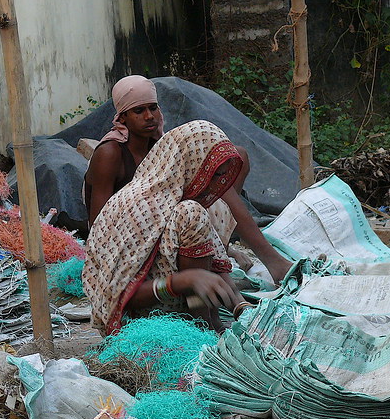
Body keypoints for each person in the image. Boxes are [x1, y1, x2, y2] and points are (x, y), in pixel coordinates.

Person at [84, 75, 291, 283]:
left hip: (163, 224)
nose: (149, 116)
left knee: (230, 158)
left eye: (153, 108)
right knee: (206, 205)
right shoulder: (110, 153)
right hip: (130, 243)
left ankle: (229, 249)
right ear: (122, 118)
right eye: (139, 111)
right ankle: (266, 259)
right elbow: (99, 227)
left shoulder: (159, 144)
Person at [83, 120, 253, 335]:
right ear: (191, 164)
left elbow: (215, 266)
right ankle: (200, 325)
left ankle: (206, 322)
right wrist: (180, 282)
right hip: (136, 324)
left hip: (169, 309)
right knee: (192, 212)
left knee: (211, 210)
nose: (214, 185)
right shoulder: (139, 207)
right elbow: (116, 297)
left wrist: (241, 308)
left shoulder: (179, 199)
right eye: (213, 175)